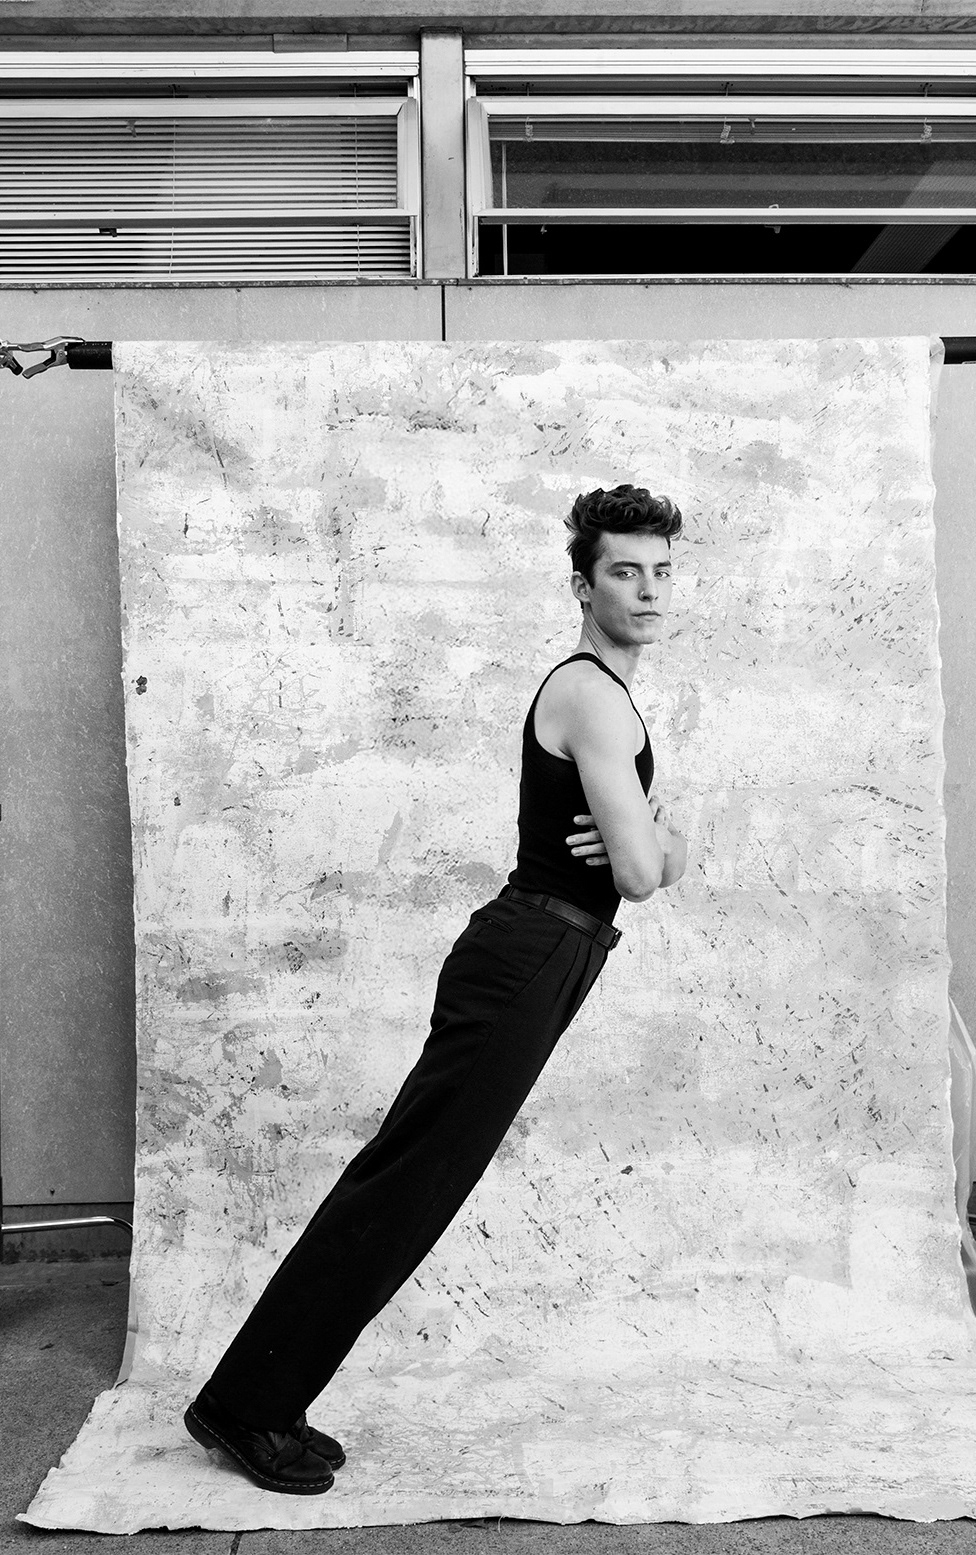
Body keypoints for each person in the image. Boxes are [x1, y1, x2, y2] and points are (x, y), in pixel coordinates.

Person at [184, 483, 689, 1494]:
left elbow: (650, 855)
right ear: (582, 585)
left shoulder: (610, 697)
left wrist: (660, 831)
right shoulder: (590, 693)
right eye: (623, 571)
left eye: (660, 572)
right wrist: (662, 831)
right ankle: (245, 1405)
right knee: (408, 1181)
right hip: (530, 952)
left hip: (550, 954)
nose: (646, 590)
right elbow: (641, 871)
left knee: (415, 1182)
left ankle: (264, 1396)